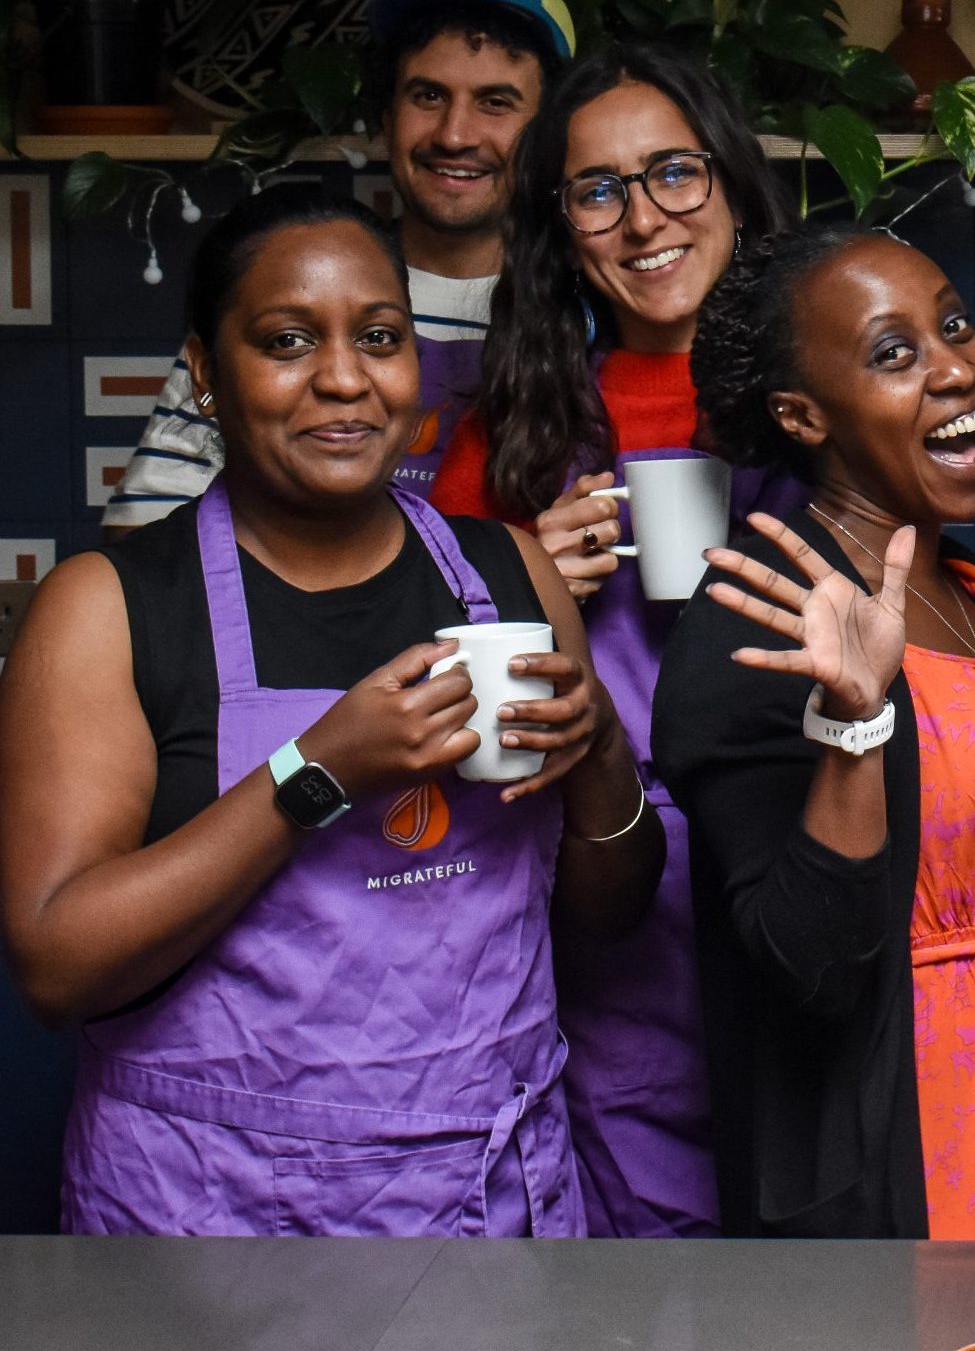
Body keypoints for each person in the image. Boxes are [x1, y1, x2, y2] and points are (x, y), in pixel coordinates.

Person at [0, 185, 659, 1236]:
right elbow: (55, 962)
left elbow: (608, 919)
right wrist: (319, 773)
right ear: (207, 375)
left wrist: (599, 750)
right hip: (212, 1217)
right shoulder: (110, 608)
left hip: (489, 1204)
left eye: (380, 336)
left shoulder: (511, 576)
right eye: (288, 340)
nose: (344, 378)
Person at [650, 225, 975, 1240]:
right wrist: (854, 722)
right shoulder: (761, 621)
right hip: (919, 1157)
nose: (954, 368)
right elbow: (814, 972)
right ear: (803, 415)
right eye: (895, 354)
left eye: (952, 326)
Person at [430, 39, 796, 1236]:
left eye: (675, 173)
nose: (644, 217)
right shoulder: (519, 426)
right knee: (662, 1264)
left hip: (817, 873)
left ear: (733, 185)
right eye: (599, 189)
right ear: (561, 227)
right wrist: (538, 590)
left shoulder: (837, 387)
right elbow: (436, 702)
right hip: (613, 898)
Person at [101, 0, 574, 533]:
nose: (455, 135)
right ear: (384, 117)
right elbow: (144, 538)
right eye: (427, 95)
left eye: (496, 103)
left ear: (551, 134)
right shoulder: (281, 291)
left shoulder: (587, 308)